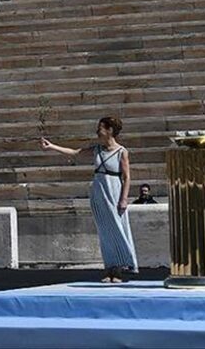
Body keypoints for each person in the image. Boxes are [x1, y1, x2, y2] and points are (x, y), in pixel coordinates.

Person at [41, 116, 138, 283]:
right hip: (98, 191)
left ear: (110, 130)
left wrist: (124, 198)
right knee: (104, 232)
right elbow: (75, 153)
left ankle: (122, 267)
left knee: (118, 229)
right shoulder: (97, 149)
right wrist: (52, 147)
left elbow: (127, 177)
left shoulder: (122, 151)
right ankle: (109, 268)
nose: (98, 131)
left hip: (114, 191)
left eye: (101, 128)